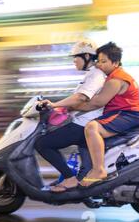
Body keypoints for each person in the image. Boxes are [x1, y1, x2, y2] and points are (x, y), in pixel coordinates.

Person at [34, 39, 106, 192]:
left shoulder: (96, 75)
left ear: (87, 56)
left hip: (83, 124)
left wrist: (54, 104)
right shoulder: (91, 75)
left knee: (42, 144)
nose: (74, 60)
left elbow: (81, 97)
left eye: (76, 57)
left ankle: (69, 179)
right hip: (82, 122)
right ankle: (75, 180)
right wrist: (58, 105)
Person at [73, 42, 139, 187]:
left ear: (116, 62)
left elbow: (97, 102)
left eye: (104, 61)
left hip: (129, 113)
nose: (99, 65)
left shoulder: (115, 79)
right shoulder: (112, 76)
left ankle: (98, 170)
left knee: (92, 128)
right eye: (98, 61)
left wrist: (72, 106)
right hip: (125, 112)